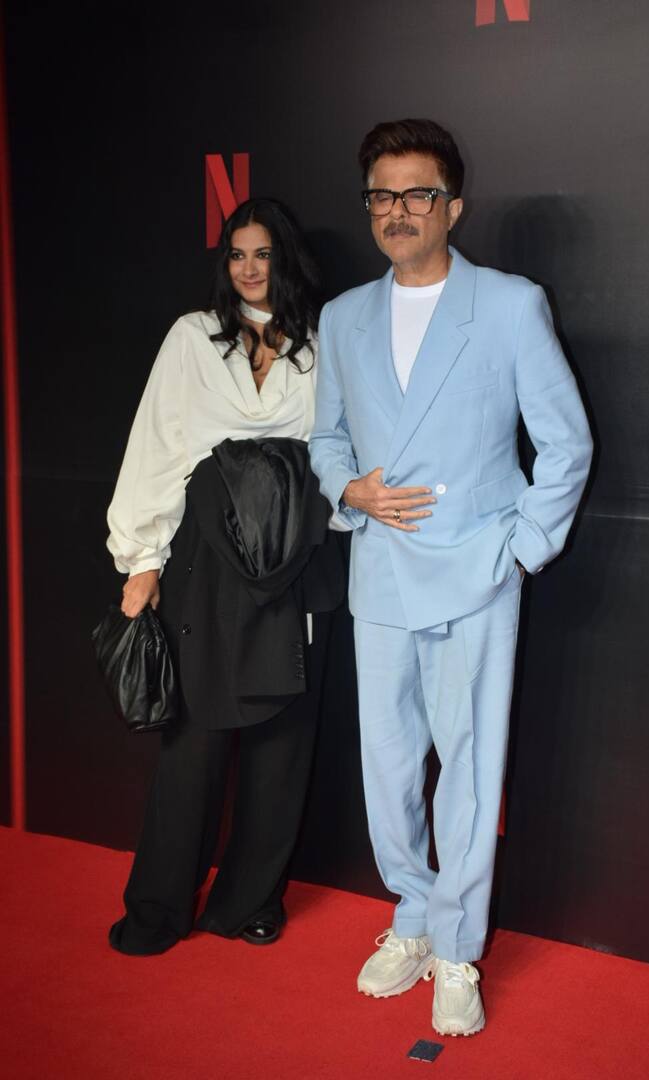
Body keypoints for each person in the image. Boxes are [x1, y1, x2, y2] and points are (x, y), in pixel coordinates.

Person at [309, 119, 593, 1036]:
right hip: (380, 572)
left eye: (418, 194)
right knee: (388, 768)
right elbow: (324, 440)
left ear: (453, 205)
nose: (398, 212)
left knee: (470, 768)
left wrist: (521, 547)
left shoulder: (509, 305)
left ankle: (459, 947)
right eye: (382, 196)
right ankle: (413, 917)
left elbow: (565, 441)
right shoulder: (345, 315)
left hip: (477, 571)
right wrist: (345, 487)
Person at [106, 197, 344, 956]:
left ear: (285, 259)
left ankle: (252, 902)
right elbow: (158, 443)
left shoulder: (322, 340)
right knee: (194, 742)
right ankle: (158, 907)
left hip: (298, 561)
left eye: (262, 253)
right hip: (208, 562)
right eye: (237, 254)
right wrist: (140, 558)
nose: (248, 268)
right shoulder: (190, 338)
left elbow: (341, 443)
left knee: (282, 744)